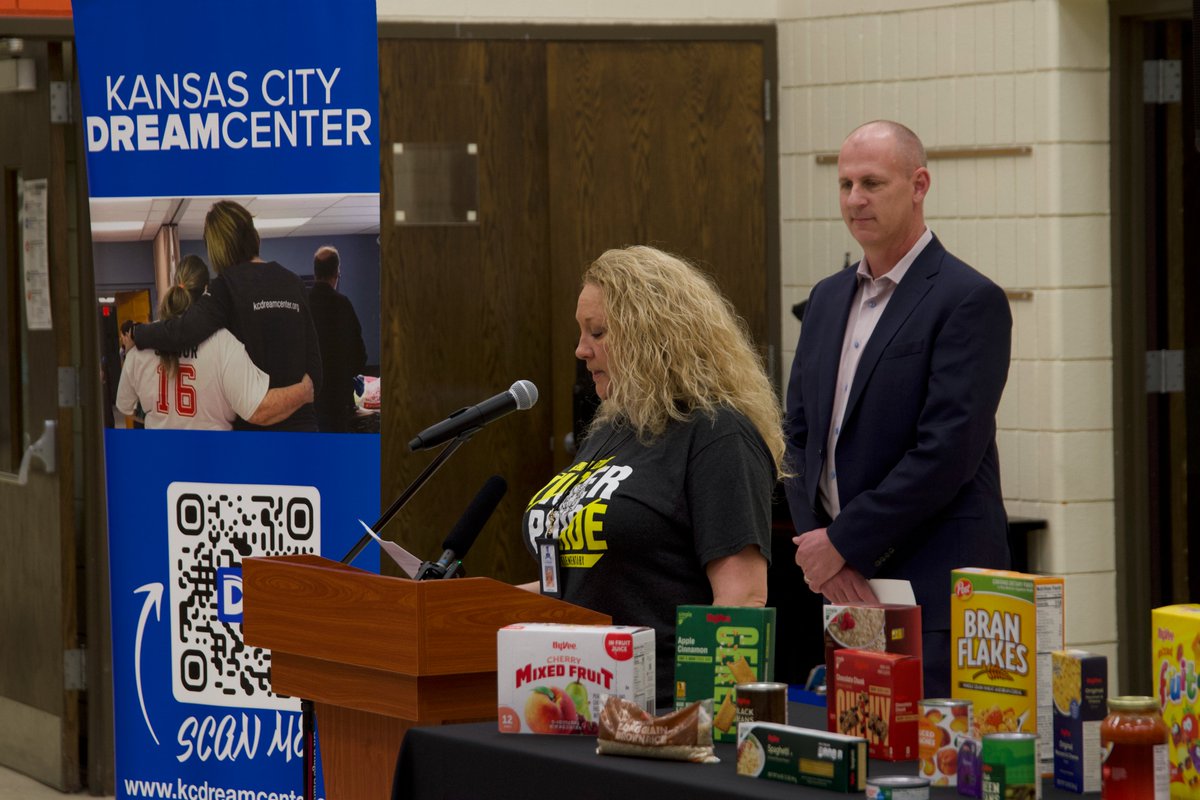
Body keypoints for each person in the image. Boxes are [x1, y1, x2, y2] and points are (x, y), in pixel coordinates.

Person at [784, 120, 1012, 698]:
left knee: (933, 774)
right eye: (844, 185)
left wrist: (841, 542)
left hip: (935, 589)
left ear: (919, 185)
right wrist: (821, 553)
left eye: (872, 183)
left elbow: (948, 452)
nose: (854, 199)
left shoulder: (967, 299)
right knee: (864, 767)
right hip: (844, 586)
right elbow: (797, 437)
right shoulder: (827, 298)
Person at [522, 246, 786, 707]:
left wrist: (704, 728)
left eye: (598, 332)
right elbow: (576, 579)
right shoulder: (609, 430)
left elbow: (740, 602)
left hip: (661, 711)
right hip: (574, 699)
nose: (581, 350)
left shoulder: (717, 434)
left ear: (654, 336)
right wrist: (462, 605)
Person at [131, 200, 322, 431]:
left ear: (217, 247)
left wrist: (136, 332)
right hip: (304, 427)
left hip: (255, 432)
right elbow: (315, 374)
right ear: (252, 234)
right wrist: (302, 394)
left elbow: (182, 333)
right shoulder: (294, 282)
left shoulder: (226, 287)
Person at [116, 255, 313, 430]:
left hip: (160, 458)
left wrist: (162, 419)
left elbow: (126, 407)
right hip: (213, 458)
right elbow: (258, 410)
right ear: (206, 291)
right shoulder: (223, 342)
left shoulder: (141, 345)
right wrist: (304, 391)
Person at [308, 245, 367, 432]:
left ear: (315, 273)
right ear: (336, 273)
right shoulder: (343, 305)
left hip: (307, 400)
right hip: (337, 402)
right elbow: (360, 354)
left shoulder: (301, 303)